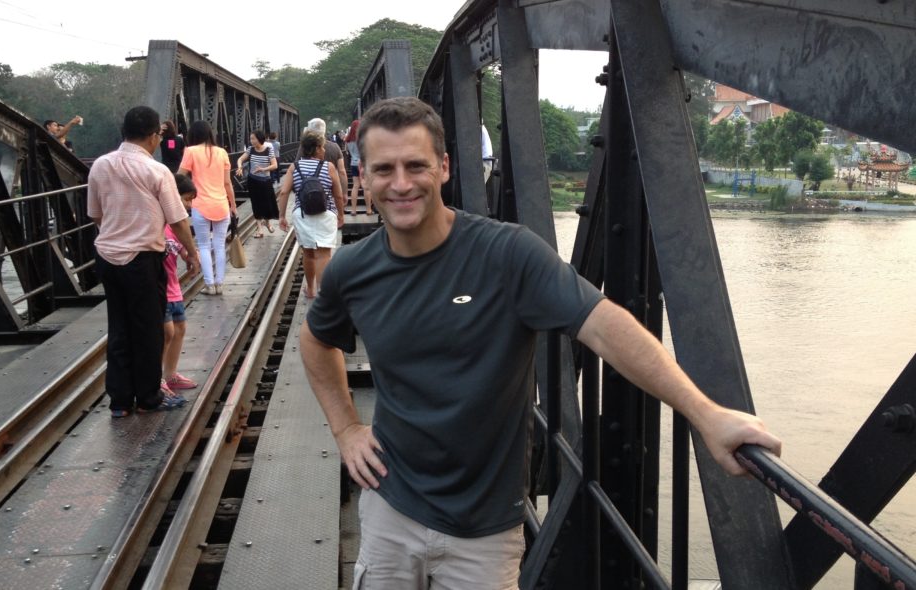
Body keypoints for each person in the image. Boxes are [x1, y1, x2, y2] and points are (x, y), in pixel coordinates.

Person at [299, 97, 783, 589]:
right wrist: (345, 429)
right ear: (364, 173)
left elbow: (604, 325)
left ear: (444, 167)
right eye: (385, 169)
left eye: (416, 165)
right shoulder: (353, 270)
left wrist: (706, 414)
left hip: (485, 529)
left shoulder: (505, 253)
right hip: (390, 506)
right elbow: (316, 341)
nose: (400, 183)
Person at [87, 106, 199, 418]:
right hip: (143, 259)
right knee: (149, 329)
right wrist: (192, 253)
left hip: (108, 257)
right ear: (153, 136)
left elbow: (95, 214)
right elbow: (177, 220)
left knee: (119, 327)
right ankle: (150, 397)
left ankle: (121, 401)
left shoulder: (100, 165)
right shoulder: (158, 171)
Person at [276, 131, 343, 299]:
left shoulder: (295, 167)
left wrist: (282, 216)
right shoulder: (329, 167)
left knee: (308, 253)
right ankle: (323, 294)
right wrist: (341, 214)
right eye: (322, 147)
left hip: (302, 213)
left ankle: (311, 290)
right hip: (325, 212)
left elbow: (284, 192)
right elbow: (339, 195)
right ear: (317, 148)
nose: (324, 150)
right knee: (324, 253)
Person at [177, 120, 237, 295]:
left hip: (200, 205)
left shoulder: (191, 152)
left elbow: (179, 177)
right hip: (221, 204)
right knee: (219, 245)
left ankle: (209, 285)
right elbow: (227, 183)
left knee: (203, 245)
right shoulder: (222, 152)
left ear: (193, 135)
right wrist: (232, 205)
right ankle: (220, 284)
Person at [160, 173, 200, 394]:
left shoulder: (177, 228)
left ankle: (171, 374)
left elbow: (182, 248)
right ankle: (157, 379)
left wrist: (191, 256)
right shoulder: (161, 223)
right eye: (185, 199)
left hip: (173, 288)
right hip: (160, 288)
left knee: (180, 328)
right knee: (165, 333)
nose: (188, 205)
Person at [304, 118, 348, 227]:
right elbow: (342, 171)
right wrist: (344, 192)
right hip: (330, 194)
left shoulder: (304, 148)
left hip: (308, 193)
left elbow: (296, 168)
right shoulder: (335, 147)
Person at [235, 130, 279, 237]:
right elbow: (240, 159)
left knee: (267, 203)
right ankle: (259, 229)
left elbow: (275, 165)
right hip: (253, 180)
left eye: (253, 139)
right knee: (256, 204)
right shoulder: (250, 150)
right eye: (250, 139)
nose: (251, 141)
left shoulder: (269, 150)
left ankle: (267, 222)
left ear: (259, 138)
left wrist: (263, 169)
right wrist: (240, 166)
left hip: (265, 181)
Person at [344, 119, 369, 216]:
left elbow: (347, 152)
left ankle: (353, 210)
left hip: (353, 163)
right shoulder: (363, 139)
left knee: (355, 186)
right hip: (363, 164)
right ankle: (368, 210)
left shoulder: (348, 140)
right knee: (366, 187)